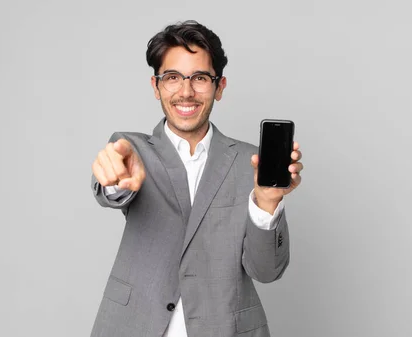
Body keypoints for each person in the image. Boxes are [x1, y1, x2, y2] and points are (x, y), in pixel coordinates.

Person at [89, 20, 304, 337]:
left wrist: (267, 202)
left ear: (220, 87)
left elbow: (267, 271)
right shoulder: (131, 149)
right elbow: (112, 184)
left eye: (200, 78)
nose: (186, 92)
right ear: (156, 85)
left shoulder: (251, 163)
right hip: (134, 325)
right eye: (172, 78)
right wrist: (115, 179)